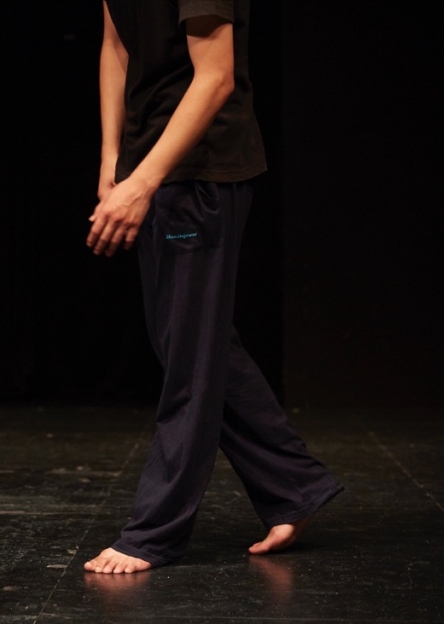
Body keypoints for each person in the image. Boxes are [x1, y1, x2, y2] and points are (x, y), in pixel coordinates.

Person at [84, 0, 342, 573]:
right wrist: (112, 158)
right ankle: (295, 484)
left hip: (200, 171)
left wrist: (142, 182)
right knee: (194, 345)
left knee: (190, 359)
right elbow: (116, 45)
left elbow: (217, 75)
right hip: (148, 165)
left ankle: (155, 532)